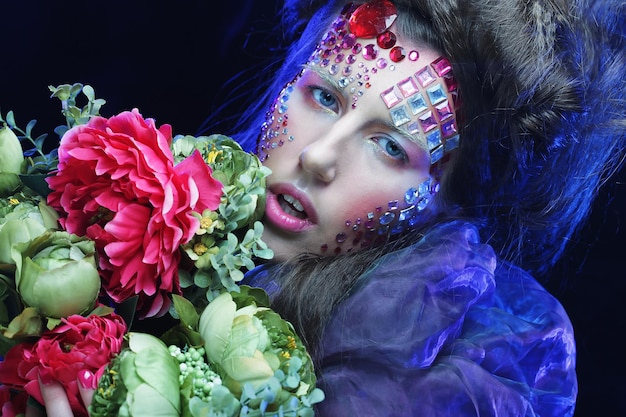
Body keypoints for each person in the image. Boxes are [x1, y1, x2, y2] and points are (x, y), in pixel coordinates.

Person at [31, 0, 626, 415]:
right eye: (323, 96)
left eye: (391, 146)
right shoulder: (148, 218)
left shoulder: (428, 369)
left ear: (447, 203)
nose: (318, 156)